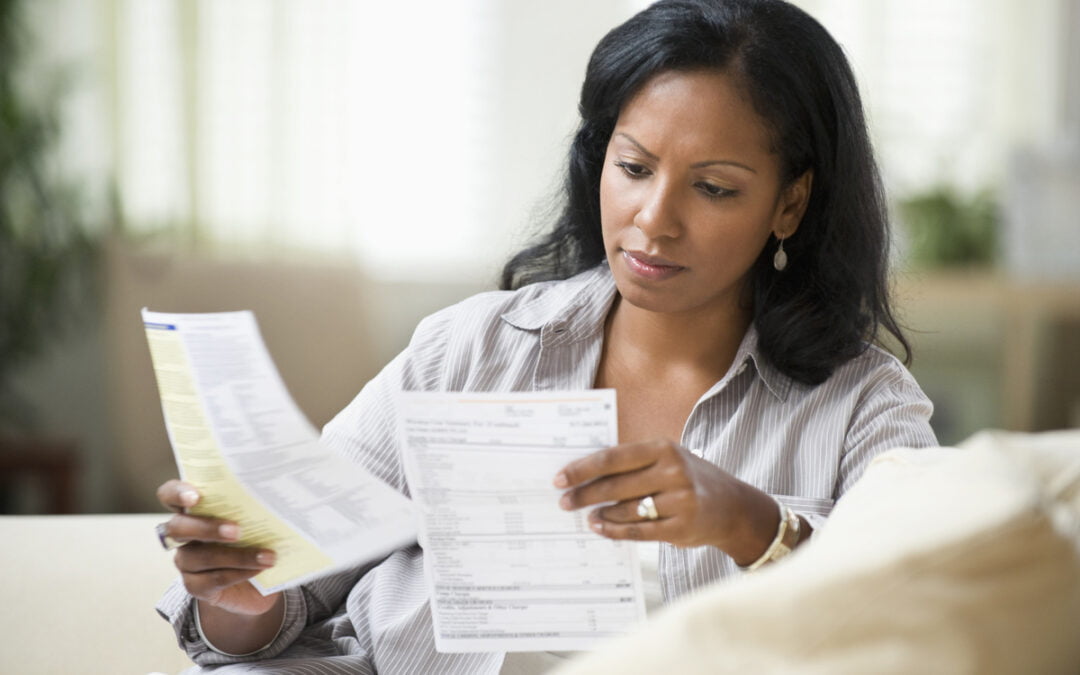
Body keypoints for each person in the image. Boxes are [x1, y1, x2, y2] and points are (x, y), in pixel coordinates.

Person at [155, 0, 936, 672]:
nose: (654, 220)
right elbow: (279, 607)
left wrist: (748, 521)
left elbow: (923, 622)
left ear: (790, 204)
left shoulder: (865, 404)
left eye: (712, 187)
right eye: (634, 168)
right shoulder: (467, 351)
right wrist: (239, 593)